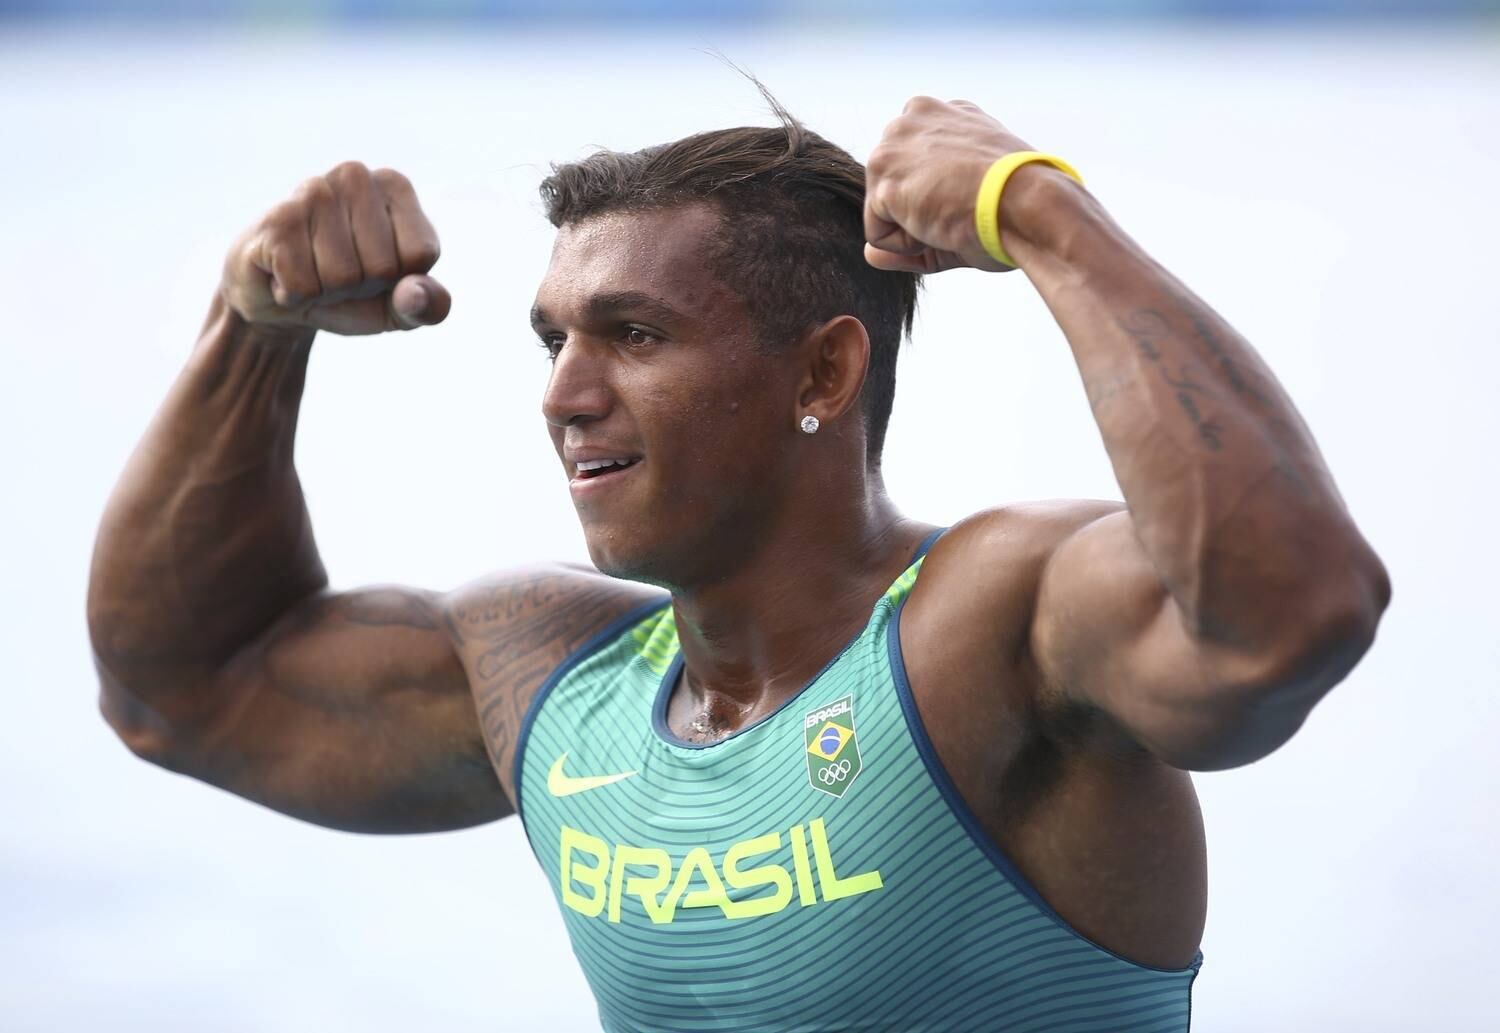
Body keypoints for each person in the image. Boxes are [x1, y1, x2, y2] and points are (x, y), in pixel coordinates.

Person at [87, 92, 1390, 1032]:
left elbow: (1289, 614)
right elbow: (180, 692)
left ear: (823, 369)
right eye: (554, 344)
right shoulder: (552, 675)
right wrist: (251, 332)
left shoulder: (992, 626)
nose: (566, 395)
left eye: (634, 335)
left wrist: (1047, 218)